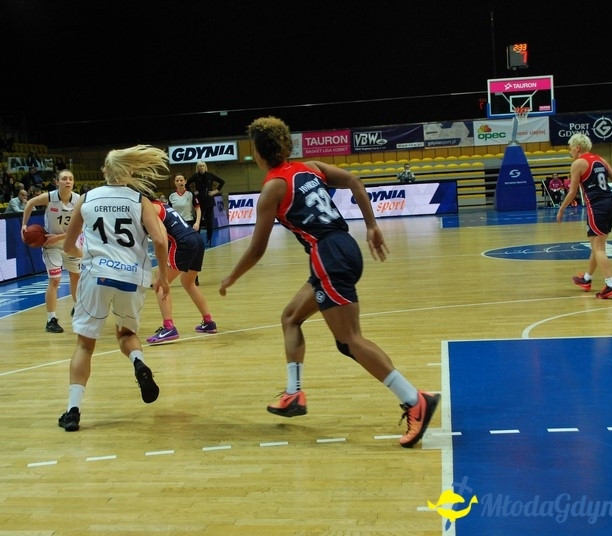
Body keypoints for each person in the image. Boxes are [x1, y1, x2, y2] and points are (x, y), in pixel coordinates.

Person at [219, 117, 439, 448]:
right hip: (345, 245)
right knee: (291, 317)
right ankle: (293, 395)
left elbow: (257, 248)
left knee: (350, 340)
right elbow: (353, 179)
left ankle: (415, 400)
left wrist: (231, 277)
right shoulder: (310, 167)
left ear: (258, 153)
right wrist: (372, 225)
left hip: (327, 255)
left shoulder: (272, 188)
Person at [57, 144, 170, 432]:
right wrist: (164, 275)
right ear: (130, 171)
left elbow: (69, 245)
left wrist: (87, 257)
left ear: (105, 171)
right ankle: (139, 363)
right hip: (131, 279)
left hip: (97, 277)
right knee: (127, 333)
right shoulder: (139, 200)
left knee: (85, 345)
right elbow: (160, 240)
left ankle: (73, 410)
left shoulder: (87, 198)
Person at [557, 132, 612, 299]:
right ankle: (586, 279)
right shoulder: (600, 159)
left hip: (597, 207)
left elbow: (572, 192)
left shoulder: (578, 163)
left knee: (598, 247)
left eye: (570, 148)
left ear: (577, 148)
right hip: (611, 205)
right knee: (596, 244)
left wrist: (561, 209)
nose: (569, 151)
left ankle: (611, 285)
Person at [145, 198, 216, 344]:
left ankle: (169, 327)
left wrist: (162, 267)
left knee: (159, 283)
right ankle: (208, 322)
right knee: (188, 282)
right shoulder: (161, 204)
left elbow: (162, 236)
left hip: (182, 242)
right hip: (196, 239)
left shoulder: (149, 208)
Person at [21, 169, 81, 333]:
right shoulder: (49, 197)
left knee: (76, 276)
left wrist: (60, 236)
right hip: (51, 244)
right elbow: (30, 203)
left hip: (70, 242)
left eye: (70, 178)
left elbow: (82, 227)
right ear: (57, 182)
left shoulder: (79, 200)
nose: (68, 181)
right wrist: (24, 225)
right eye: (64, 179)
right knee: (55, 280)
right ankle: (51, 319)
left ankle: (77, 308)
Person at [168, 172, 202, 285]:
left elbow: (198, 209)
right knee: (169, 251)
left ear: (185, 181)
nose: (179, 182)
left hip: (189, 224)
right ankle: (163, 277)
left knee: (193, 250)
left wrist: (197, 222)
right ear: (174, 182)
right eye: (177, 181)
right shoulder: (171, 196)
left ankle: (193, 277)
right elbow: (168, 212)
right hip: (175, 226)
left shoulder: (190, 194)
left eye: (181, 180)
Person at [186, 160, 224, 247]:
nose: (201, 167)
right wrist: (193, 192)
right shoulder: (195, 176)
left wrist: (215, 191)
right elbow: (187, 184)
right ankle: (198, 240)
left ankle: (209, 239)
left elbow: (222, 182)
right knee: (198, 221)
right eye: (199, 166)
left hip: (209, 201)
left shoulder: (210, 175)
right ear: (197, 167)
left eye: (203, 166)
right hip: (199, 201)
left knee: (209, 221)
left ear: (205, 166)